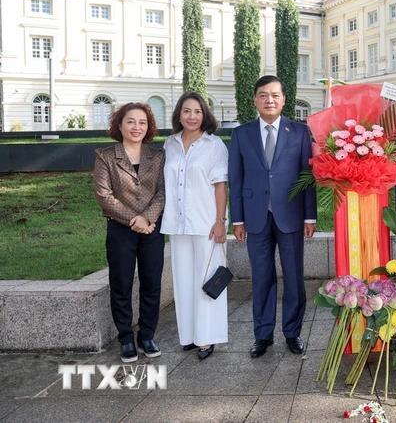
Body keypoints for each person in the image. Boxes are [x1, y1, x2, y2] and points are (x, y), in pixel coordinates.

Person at [229, 75, 317, 357]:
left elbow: (308, 175)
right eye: (264, 95)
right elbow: (236, 178)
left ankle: (292, 332)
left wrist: (310, 217)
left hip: (291, 215)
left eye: (275, 95)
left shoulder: (300, 131)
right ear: (255, 99)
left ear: (284, 99)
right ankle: (263, 335)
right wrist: (238, 219)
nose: (270, 100)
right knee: (262, 277)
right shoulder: (241, 134)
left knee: (293, 277)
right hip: (255, 217)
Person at [93, 103, 165, 363]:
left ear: (149, 127)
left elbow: (162, 192)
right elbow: (103, 195)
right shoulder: (105, 156)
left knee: (151, 284)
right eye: (131, 122)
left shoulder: (157, 156)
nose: (137, 127)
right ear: (119, 125)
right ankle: (126, 338)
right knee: (121, 284)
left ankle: (147, 335)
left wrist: (147, 218)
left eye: (142, 122)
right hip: (120, 230)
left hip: (152, 228)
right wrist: (134, 219)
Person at [161, 92, 229, 361]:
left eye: (197, 112)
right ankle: (189, 336)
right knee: (183, 281)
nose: (192, 116)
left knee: (208, 282)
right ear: (179, 114)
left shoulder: (214, 145)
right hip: (177, 224)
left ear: (205, 115)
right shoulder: (170, 144)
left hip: (206, 223)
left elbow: (220, 186)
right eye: (187, 111)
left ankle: (207, 338)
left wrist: (220, 221)